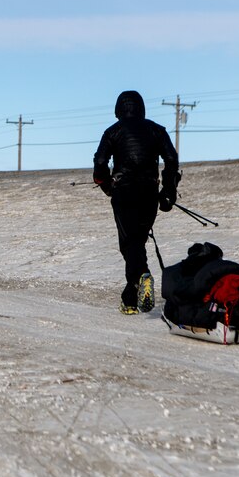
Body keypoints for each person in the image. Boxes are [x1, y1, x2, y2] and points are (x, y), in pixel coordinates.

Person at [93, 90, 180, 314]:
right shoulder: (156, 130)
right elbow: (171, 158)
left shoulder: (113, 131)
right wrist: (168, 190)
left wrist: (106, 186)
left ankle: (142, 276)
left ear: (118, 110)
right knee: (137, 242)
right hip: (149, 193)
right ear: (141, 108)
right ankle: (130, 299)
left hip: (124, 193)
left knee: (129, 243)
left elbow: (100, 161)